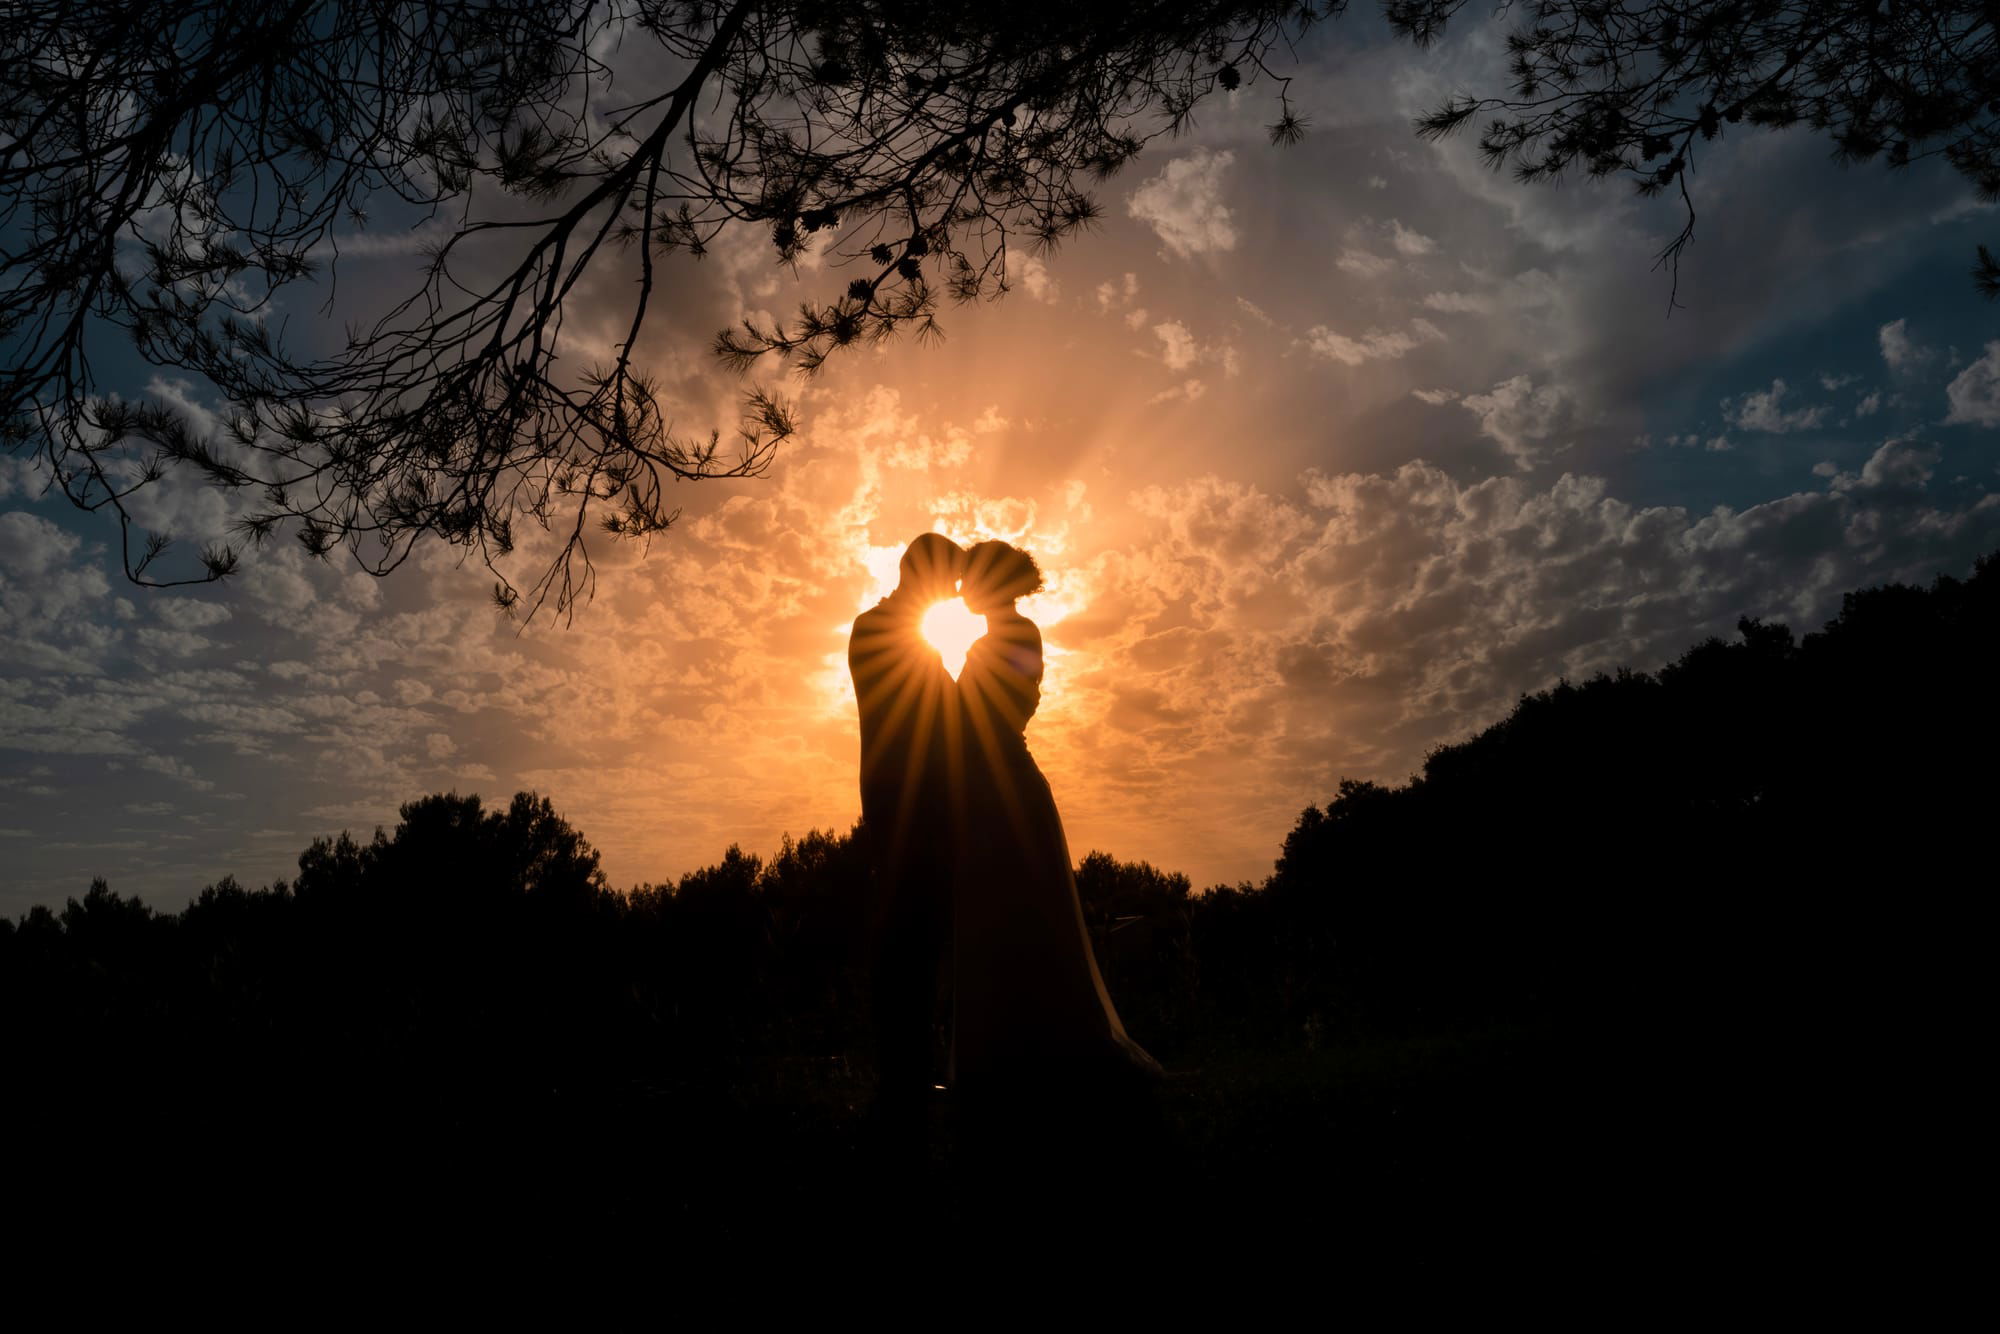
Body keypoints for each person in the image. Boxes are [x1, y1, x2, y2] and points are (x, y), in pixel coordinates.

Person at [950, 539, 1163, 1102]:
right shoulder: (1001, 639)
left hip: (1004, 788)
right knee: (1000, 918)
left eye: (969, 578)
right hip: (992, 783)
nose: (960, 589)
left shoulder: (1015, 637)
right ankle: (1009, 1060)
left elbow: (989, 711)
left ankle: (1033, 1062)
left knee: (1019, 915)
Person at [848, 532, 966, 1134]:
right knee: (905, 942)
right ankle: (902, 1075)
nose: (954, 592)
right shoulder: (879, 630)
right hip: (905, 810)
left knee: (922, 940)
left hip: (923, 810)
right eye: (949, 579)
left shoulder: (910, 637)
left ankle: (913, 1068)